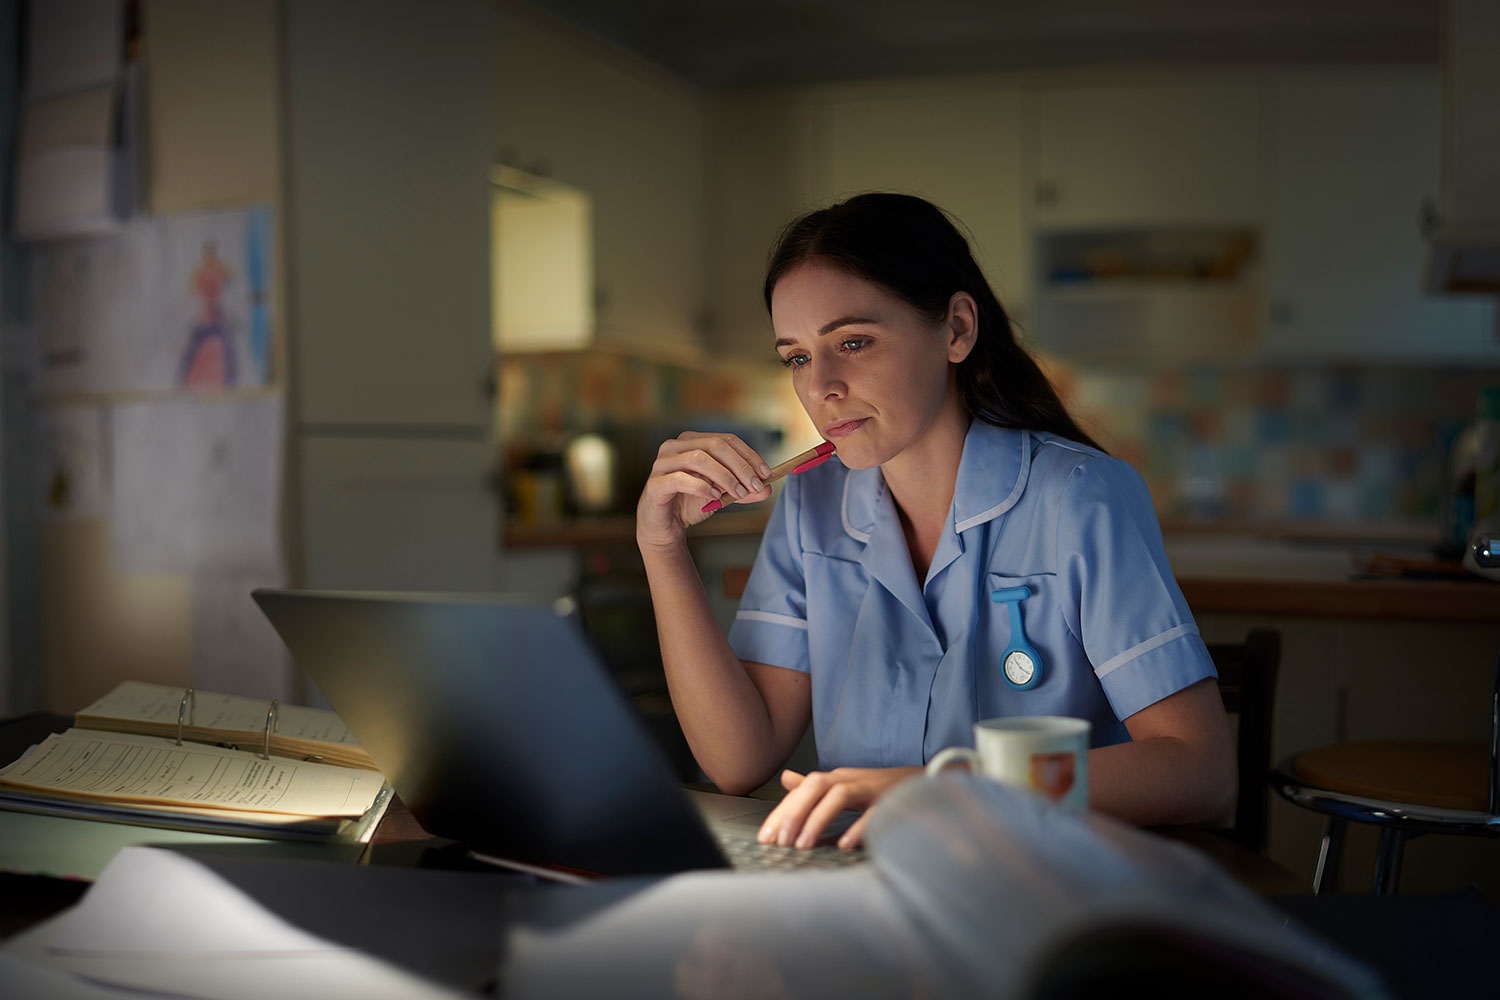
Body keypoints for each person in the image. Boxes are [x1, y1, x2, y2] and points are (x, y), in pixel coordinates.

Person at [636, 193, 1235, 851]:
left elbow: (1200, 770)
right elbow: (737, 762)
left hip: (1044, 893)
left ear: (956, 329)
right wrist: (660, 545)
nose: (820, 388)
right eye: (798, 357)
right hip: (868, 891)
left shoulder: (1081, 496)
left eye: (853, 342)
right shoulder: (809, 506)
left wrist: (948, 788)